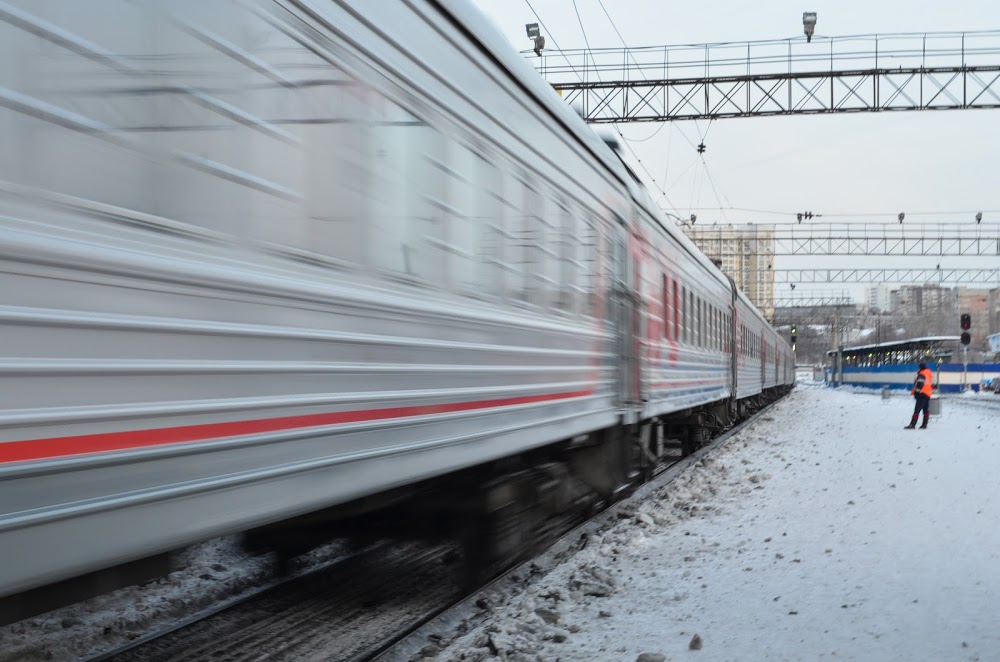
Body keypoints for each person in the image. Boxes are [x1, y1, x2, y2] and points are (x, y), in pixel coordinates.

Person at [904, 362, 934, 429]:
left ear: (920, 368)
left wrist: (916, 393)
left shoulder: (922, 374)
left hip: (922, 393)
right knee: (926, 410)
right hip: (928, 393)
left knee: (917, 410)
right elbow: (930, 385)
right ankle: (924, 424)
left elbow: (920, 384)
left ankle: (912, 424)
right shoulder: (929, 373)